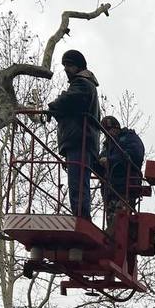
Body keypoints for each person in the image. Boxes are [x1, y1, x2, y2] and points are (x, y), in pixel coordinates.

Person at [47, 50, 101, 219]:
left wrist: (53, 105)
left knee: (77, 182)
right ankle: (80, 214)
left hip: (80, 139)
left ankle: (80, 216)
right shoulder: (85, 83)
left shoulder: (82, 84)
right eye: (64, 66)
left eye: (69, 65)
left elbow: (70, 99)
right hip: (83, 139)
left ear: (78, 66)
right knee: (78, 180)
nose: (66, 69)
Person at [98, 116, 145, 215]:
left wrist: (110, 161)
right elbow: (99, 165)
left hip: (125, 187)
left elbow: (135, 154)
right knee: (112, 223)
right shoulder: (107, 147)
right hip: (110, 191)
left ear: (117, 127)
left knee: (121, 219)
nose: (108, 133)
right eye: (105, 131)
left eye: (110, 129)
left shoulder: (130, 137)